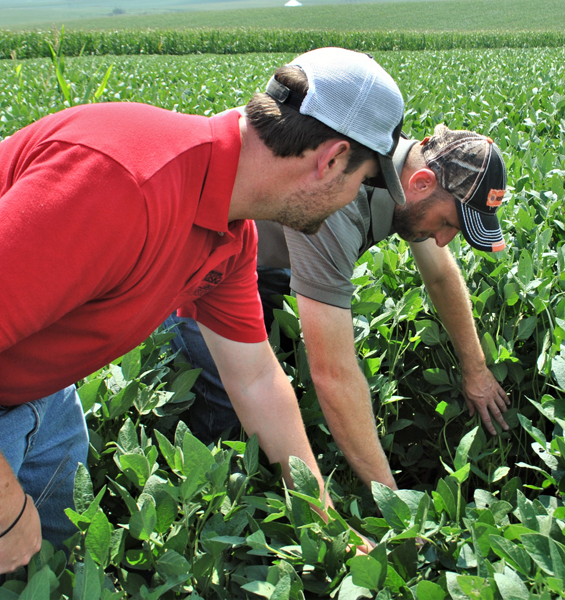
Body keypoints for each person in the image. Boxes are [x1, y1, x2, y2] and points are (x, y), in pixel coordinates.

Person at [0, 47, 404, 598]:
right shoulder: (126, 180)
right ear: (331, 160)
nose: (358, 198)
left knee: (45, 573)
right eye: (367, 180)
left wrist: (325, 522)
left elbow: (257, 380)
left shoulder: (232, 232)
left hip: (42, 396)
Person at [168, 124, 511, 491]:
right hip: (201, 260)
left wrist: (475, 370)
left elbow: (441, 276)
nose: (444, 239)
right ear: (421, 183)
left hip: (270, 255)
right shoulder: (339, 203)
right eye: (446, 223)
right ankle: (201, 499)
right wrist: (395, 509)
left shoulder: (407, 167)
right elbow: (333, 374)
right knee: (227, 399)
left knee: (273, 379)